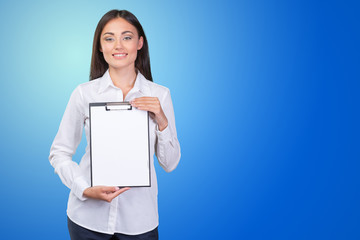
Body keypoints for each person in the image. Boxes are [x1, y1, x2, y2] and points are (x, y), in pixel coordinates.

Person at [49, 9, 181, 240]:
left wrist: (161, 119)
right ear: (100, 47)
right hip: (87, 219)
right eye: (109, 38)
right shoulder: (84, 94)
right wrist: (84, 188)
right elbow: (59, 153)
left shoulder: (160, 95)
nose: (118, 45)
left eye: (127, 37)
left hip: (139, 222)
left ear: (140, 43)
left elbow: (169, 164)